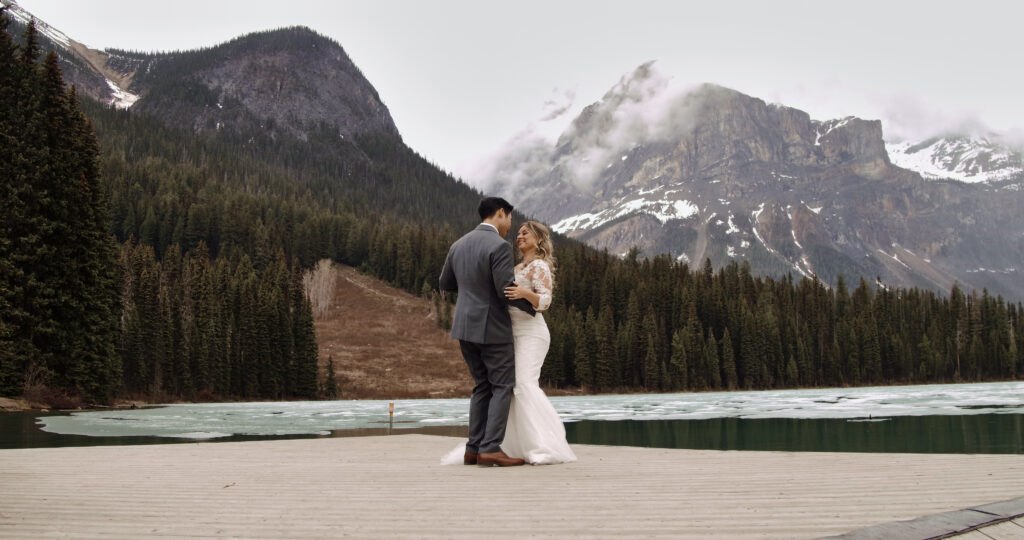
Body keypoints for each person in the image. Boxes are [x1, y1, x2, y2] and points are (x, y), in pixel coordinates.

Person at [439, 197, 535, 467]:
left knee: (482, 385)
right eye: (509, 221)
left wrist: (472, 293)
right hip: (492, 326)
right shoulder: (499, 246)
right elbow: (506, 290)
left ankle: (473, 449)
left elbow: (444, 283)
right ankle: (491, 448)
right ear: (501, 213)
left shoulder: (458, 244)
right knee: (502, 385)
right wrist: (533, 308)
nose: (509, 227)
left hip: (464, 327)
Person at [500, 220, 577, 465]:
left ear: (539, 240)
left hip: (532, 333)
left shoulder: (539, 266)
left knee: (524, 383)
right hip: (512, 333)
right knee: (514, 387)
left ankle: (544, 445)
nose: (519, 236)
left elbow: (545, 302)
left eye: (526, 233)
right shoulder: (515, 268)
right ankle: (518, 446)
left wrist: (525, 294)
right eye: (519, 233)